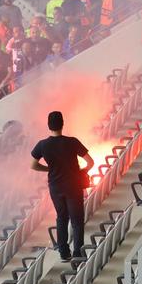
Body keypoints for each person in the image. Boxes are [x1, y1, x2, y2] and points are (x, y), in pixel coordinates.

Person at [30, 111, 95, 262]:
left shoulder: (42, 145)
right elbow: (90, 162)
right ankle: (78, 253)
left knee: (61, 217)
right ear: (62, 124)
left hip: (55, 187)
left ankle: (64, 253)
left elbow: (33, 165)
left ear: (48, 125)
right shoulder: (72, 142)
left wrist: (49, 169)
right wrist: (82, 171)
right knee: (77, 220)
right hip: (73, 186)